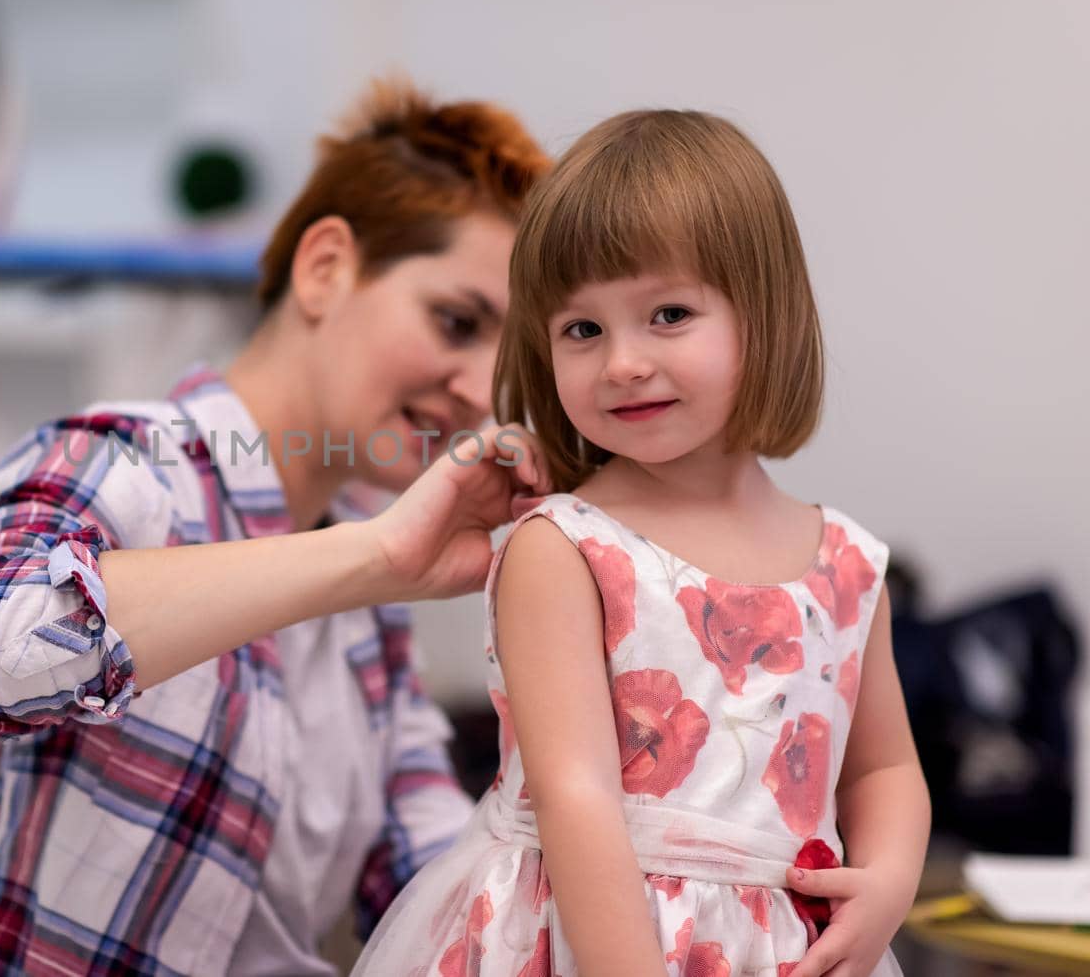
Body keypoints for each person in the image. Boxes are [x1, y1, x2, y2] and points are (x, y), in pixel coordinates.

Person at [0, 79, 554, 975]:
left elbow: (432, 891)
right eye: (456, 321)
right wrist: (371, 556)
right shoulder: (124, 467)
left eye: (512, 360)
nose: (483, 391)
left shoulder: (370, 611)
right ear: (325, 267)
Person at [352, 110, 930, 977]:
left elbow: (883, 768)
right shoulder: (567, 548)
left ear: (764, 318)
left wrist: (886, 883)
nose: (621, 362)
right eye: (582, 330)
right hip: (590, 941)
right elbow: (576, 795)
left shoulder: (847, 563)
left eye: (667, 314)